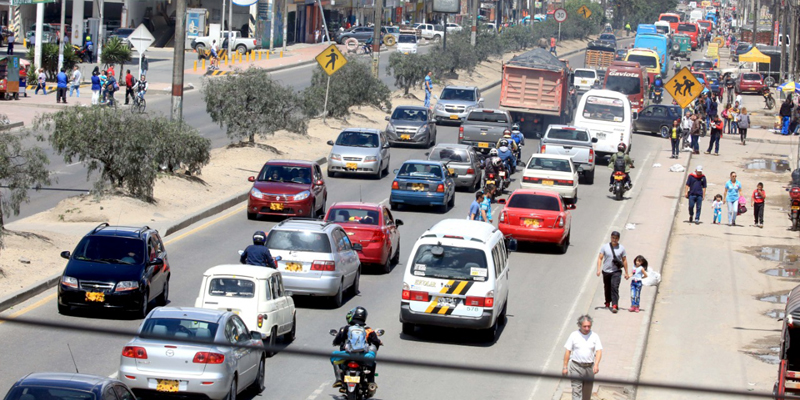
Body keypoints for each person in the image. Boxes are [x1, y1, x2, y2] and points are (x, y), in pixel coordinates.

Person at [330, 307, 382, 389]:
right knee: (373, 361)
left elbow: (337, 340)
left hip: (347, 355)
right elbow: (375, 342)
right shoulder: (368, 330)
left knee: (333, 356)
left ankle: (339, 379)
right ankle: (371, 381)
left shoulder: (345, 329)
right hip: (362, 356)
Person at [562, 315, 603, 400]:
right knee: (576, 391)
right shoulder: (574, 335)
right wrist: (565, 367)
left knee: (587, 393)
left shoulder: (594, 336)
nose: (587, 328)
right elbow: (568, 351)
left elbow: (599, 351)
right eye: (585, 326)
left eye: (589, 326)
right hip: (576, 367)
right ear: (580, 325)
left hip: (589, 368)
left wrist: (596, 365)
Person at [596, 231, 629, 314]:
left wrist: (626, 272)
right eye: (613, 237)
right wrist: (598, 269)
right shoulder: (605, 247)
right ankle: (607, 301)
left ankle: (614, 305)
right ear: (611, 237)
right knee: (607, 287)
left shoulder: (621, 248)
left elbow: (624, 260)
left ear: (618, 239)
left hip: (616, 271)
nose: (614, 239)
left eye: (616, 238)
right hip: (606, 271)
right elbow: (600, 258)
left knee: (614, 287)